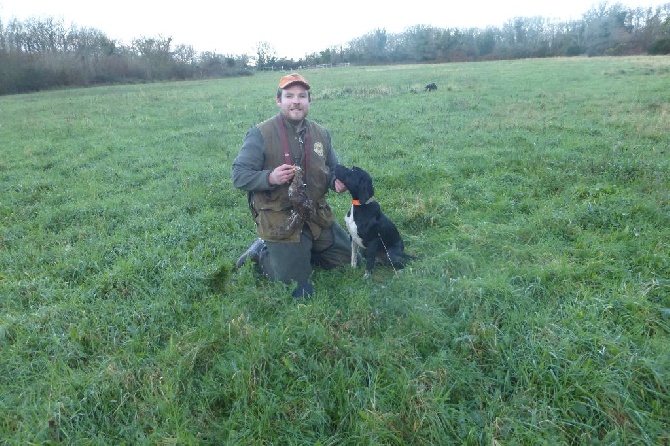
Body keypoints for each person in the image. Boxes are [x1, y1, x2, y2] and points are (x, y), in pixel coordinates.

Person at [231, 73, 352, 298]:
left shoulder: (321, 134)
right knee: (294, 282)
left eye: (302, 96)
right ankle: (262, 253)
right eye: (289, 96)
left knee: (347, 261)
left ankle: (301, 252)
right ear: (279, 101)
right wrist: (270, 178)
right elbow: (239, 175)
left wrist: (337, 180)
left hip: (315, 215)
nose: (296, 101)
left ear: (309, 100)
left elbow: (334, 168)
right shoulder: (260, 133)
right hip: (281, 218)